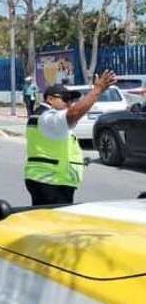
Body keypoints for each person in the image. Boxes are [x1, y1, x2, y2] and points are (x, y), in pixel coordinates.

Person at [23, 70, 117, 206]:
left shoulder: (40, 116)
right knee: (54, 225)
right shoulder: (47, 117)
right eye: (65, 99)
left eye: (71, 100)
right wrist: (97, 90)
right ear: (50, 99)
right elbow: (73, 114)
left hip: (47, 180)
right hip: (51, 182)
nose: (69, 103)